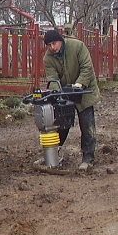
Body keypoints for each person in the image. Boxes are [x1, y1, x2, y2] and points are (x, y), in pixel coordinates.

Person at [43, 29, 100, 171]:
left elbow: (87, 68)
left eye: (54, 43)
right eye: (49, 45)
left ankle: (88, 158)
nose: (52, 47)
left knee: (87, 125)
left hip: (85, 91)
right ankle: (53, 154)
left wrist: (79, 84)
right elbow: (52, 78)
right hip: (65, 93)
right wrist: (57, 93)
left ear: (60, 40)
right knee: (62, 124)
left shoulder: (77, 46)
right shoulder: (48, 58)